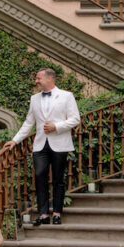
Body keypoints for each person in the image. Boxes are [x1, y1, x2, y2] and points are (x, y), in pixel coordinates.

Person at [4, 68, 80, 226]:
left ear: (49, 79)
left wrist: (56, 126)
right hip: (40, 145)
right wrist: (15, 140)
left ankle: (57, 214)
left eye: (39, 78)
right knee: (39, 176)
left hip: (60, 144)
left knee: (58, 180)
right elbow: (29, 122)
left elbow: (75, 119)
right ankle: (43, 214)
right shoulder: (34, 99)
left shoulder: (66, 96)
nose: (36, 81)